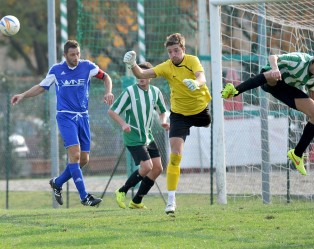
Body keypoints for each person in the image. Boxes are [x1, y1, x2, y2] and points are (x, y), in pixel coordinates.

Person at [11, 40, 114, 206]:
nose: (76, 57)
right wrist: (23, 95)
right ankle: (84, 197)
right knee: (74, 155)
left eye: (78, 54)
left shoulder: (87, 66)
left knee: (84, 159)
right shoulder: (57, 70)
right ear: (65, 55)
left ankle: (57, 183)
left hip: (83, 116)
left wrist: (108, 92)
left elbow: (106, 77)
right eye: (72, 55)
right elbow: (40, 87)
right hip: (65, 116)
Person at [123, 33, 212, 214]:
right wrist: (132, 65)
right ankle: (171, 201)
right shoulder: (166, 66)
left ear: (183, 50)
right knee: (175, 155)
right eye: (170, 51)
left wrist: (196, 83)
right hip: (179, 114)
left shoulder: (192, 60)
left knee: (207, 123)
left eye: (176, 50)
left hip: (200, 111)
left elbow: (201, 77)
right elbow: (141, 73)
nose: (173, 54)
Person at [221, 50, 314, 176]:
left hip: (285, 89)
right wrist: (276, 68)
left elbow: (311, 91)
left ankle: (297, 154)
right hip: (269, 80)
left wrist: (312, 115)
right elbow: (273, 57)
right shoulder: (299, 60)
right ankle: (235, 90)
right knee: (272, 74)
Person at [108, 62, 169, 209]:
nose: (141, 77)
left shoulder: (155, 92)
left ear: (150, 76)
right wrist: (123, 124)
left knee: (158, 168)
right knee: (147, 166)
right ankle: (122, 191)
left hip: (148, 136)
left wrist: (163, 121)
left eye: (144, 73)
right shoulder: (130, 91)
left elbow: (162, 110)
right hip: (133, 136)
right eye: (138, 73)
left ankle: (136, 201)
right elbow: (112, 111)